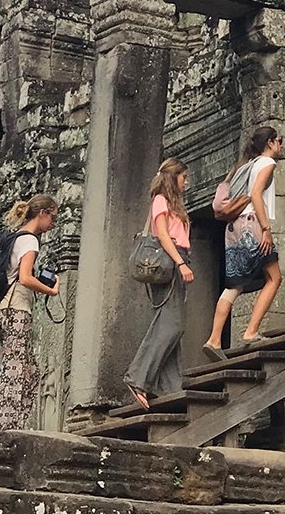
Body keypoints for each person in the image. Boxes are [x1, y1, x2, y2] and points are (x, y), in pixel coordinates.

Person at [0, 195, 60, 430]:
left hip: (3, 309)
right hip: (16, 309)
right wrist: (50, 290)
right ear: (42, 213)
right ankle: (6, 424)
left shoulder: (16, 237)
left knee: (30, 373)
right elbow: (26, 278)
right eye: (52, 218)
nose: (53, 224)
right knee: (15, 368)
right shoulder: (30, 240)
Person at [122, 160, 196, 409]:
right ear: (173, 177)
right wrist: (180, 263)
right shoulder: (161, 200)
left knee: (171, 325)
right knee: (172, 325)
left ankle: (169, 389)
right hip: (170, 260)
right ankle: (138, 377)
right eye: (183, 177)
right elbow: (163, 235)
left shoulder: (172, 203)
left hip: (176, 259)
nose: (186, 182)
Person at [204, 127, 283, 358]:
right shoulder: (267, 163)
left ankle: (214, 340)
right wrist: (266, 228)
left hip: (234, 226)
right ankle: (251, 331)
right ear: (270, 142)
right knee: (274, 278)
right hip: (252, 224)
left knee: (234, 286)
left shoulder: (246, 165)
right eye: (279, 141)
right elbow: (256, 194)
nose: (281, 145)